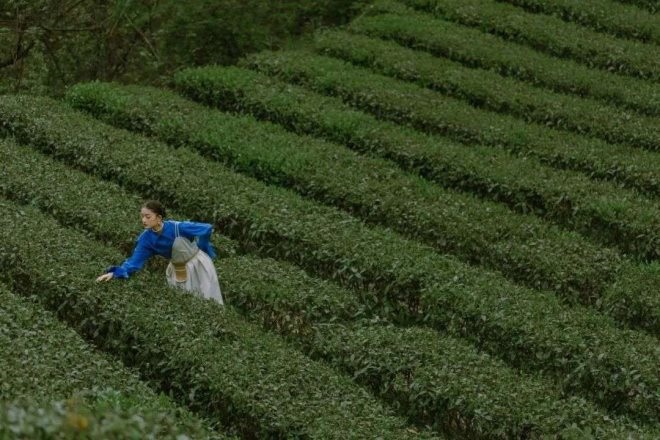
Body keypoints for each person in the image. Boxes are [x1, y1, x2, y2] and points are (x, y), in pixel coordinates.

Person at [96, 200, 224, 305]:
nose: (144, 220)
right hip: (178, 270)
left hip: (198, 264)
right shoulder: (146, 239)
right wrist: (114, 273)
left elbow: (206, 228)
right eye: (142, 216)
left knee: (209, 298)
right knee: (187, 303)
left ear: (159, 218)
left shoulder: (177, 227)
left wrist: (202, 247)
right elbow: (134, 262)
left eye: (148, 217)